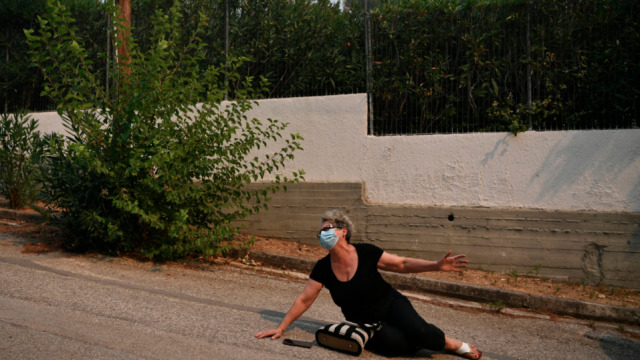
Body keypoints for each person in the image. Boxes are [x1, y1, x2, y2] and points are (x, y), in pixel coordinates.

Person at [255, 209, 482, 359]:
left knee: (420, 331)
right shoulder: (323, 267)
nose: (322, 233)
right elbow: (305, 299)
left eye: (327, 229)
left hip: (390, 303)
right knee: (399, 348)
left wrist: (436, 265)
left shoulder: (365, 252)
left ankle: (453, 344)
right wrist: (282, 327)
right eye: (320, 231)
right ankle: (421, 341)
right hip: (365, 323)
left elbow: (401, 264)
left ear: (343, 232)